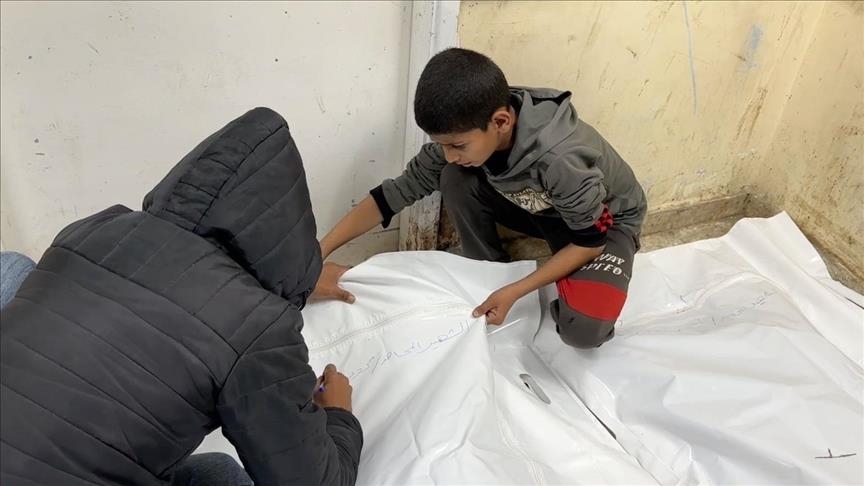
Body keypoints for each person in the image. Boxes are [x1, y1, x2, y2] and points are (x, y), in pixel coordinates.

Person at [1, 108, 363, 485]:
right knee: (221, 474)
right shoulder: (260, 329)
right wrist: (339, 415)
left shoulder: (92, 230)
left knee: (12, 267)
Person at [312, 48, 647, 349]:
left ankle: (549, 283)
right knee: (454, 177)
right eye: (441, 144)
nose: (449, 154)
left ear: (501, 122)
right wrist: (316, 255)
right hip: (541, 207)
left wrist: (517, 290)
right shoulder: (470, 126)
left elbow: (589, 242)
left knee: (584, 330)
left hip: (602, 224)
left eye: (457, 145)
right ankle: (489, 271)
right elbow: (393, 195)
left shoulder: (560, 159)